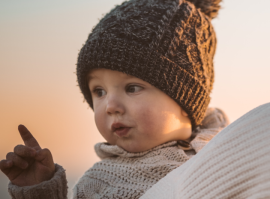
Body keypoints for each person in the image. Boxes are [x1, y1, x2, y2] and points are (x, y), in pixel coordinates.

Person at [0, 0, 228, 198]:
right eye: (99, 91)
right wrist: (40, 191)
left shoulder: (227, 153)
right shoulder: (98, 184)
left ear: (186, 102)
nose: (110, 106)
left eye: (132, 88)